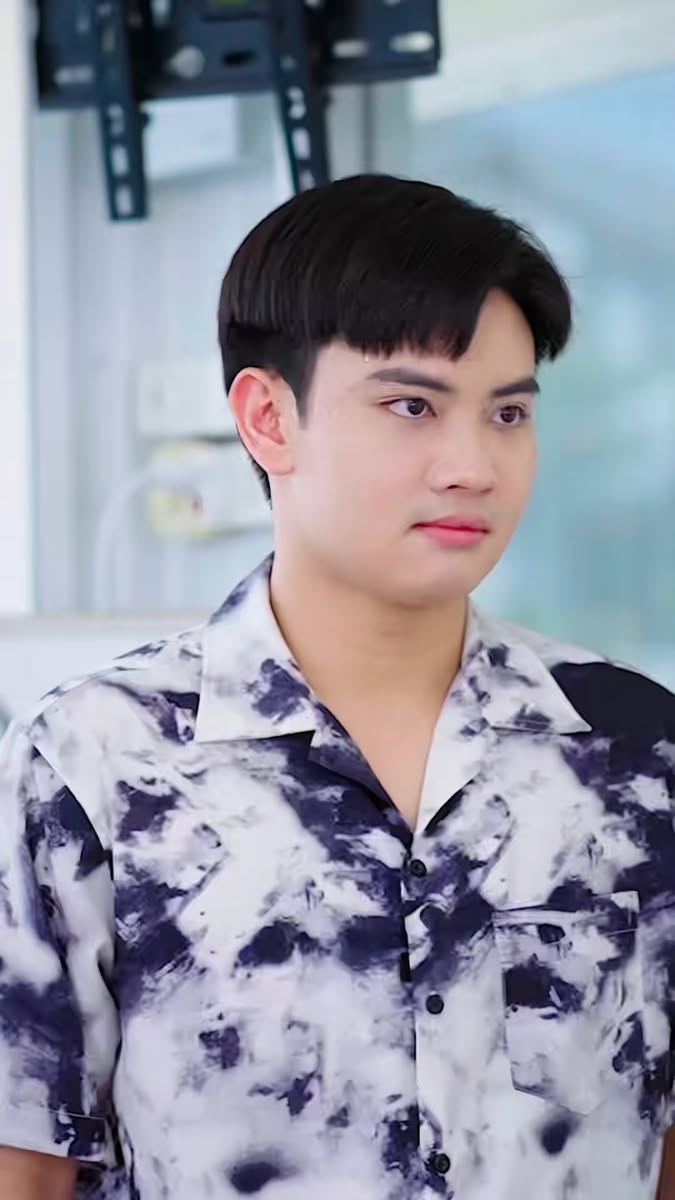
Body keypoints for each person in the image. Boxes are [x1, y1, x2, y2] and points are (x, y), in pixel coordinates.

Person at [0, 174, 674, 1200]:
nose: (473, 466)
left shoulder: (632, 749)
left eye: (507, 413)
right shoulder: (96, 761)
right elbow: (26, 1166)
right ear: (268, 418)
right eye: (412, 406)